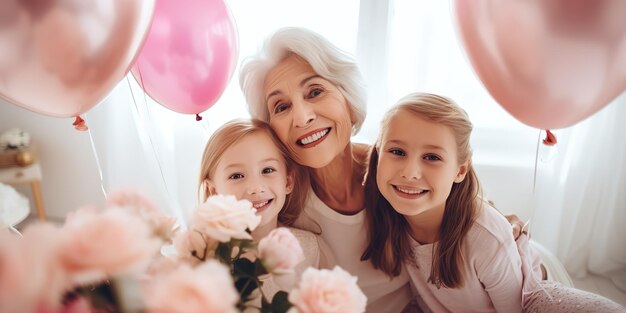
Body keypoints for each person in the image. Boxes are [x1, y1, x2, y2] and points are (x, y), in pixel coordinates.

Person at [239, 27, 526, 313]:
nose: (302, 117)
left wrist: (498, 219)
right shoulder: (279, 201)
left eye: (315, 91)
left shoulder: (395, 169)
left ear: (348, 99)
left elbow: (460, 203)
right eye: (281, 107)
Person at [361, 92, 625, 312]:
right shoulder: (384, 207)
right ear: (378, 154)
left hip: (530, 293)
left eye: (432, 157)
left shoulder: (485, 239)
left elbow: (513, 308)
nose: (410, 172)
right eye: (397, 152)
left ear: (460, 171)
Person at [198, 118, 334, 300]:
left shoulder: (309, 248)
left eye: (268, 170)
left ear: (288, 181)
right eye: (237, 175)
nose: (256, 187)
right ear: (213, 191)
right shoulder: (203, 262)